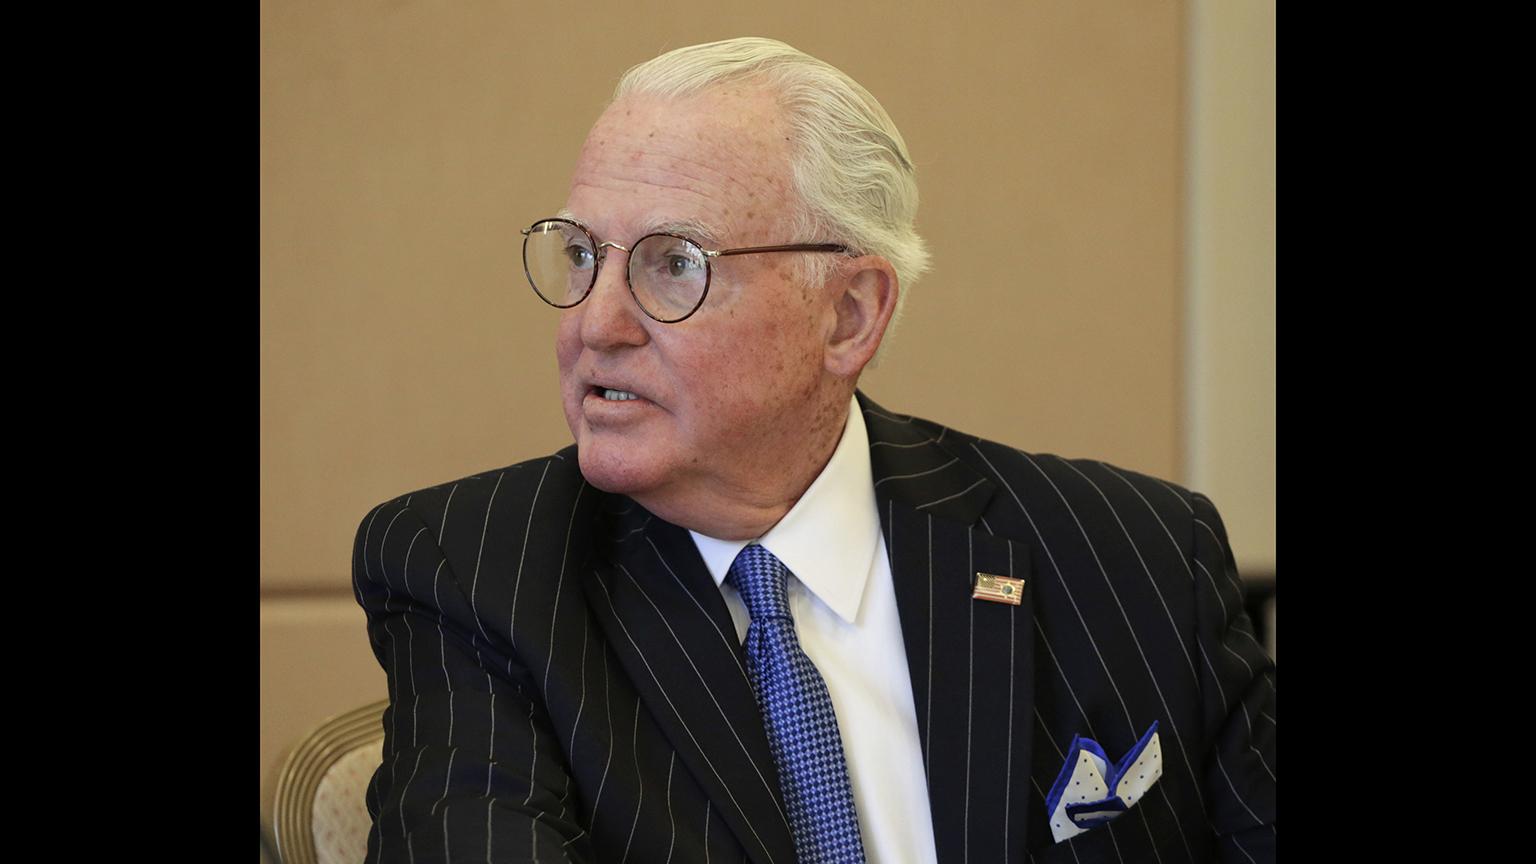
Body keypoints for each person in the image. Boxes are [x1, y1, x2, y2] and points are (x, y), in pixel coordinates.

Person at [354, 36, 1275, 864]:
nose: (595, 324)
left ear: (849, 314)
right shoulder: (478, 574)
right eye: (583, 255)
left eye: (673, 263)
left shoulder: (1138, 553)